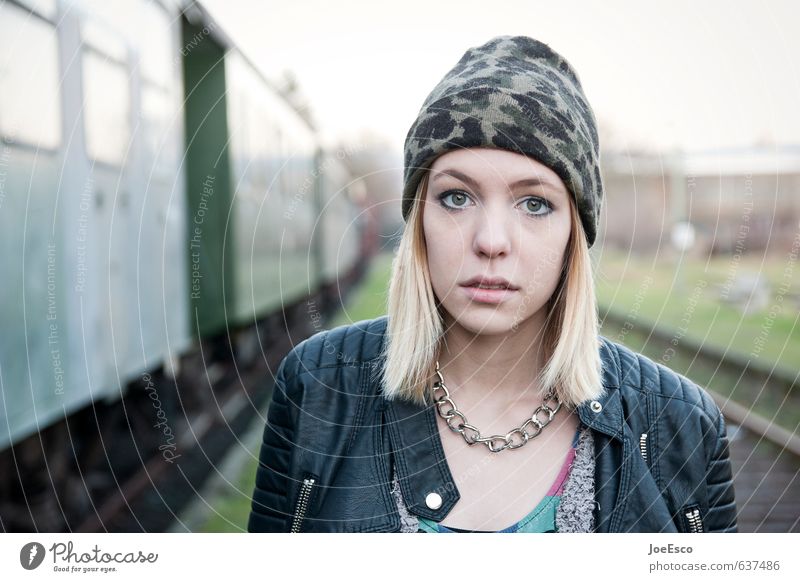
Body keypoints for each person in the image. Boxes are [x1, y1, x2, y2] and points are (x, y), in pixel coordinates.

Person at [247, 35, 738, 533]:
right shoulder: (317, 386)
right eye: (457, 198)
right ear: (419, 220)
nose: (491, 241)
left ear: (575, 231)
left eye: (535, 203)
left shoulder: (681, 423)